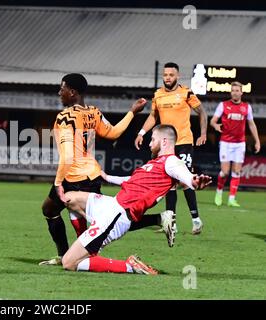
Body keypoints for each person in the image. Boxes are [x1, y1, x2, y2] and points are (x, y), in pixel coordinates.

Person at [61, 125, 212, 275]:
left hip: (117, 215)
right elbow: (132, 180)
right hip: (111, 204)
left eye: (153, 140)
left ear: (164, 142)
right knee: (69, 198)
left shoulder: (171, 162)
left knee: (68, 263)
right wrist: (107, 177)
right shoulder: (155, 163)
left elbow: (185, 175)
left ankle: (130, 266)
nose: (150, 143)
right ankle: (85, 248)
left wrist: (194, 181)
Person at [40, 73, 147, 265]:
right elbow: (113, 132)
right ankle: (67, 255)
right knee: (52, 209)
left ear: (72, 92)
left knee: (103, 221)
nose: (59, 93)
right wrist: (132, 112)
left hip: (74, 176)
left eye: (62, 89)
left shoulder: (65, 117)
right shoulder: (93, 113)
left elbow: (67, 156)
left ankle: (79, 259)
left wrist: (58, 183)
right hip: (91, 175)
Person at [134, 62, 207, 235]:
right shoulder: (158, 95)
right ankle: (171, 223)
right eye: (165, 75)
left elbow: (202, 112)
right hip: (166, 146)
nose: (168, 78)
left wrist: (203, 133)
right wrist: (141, 133)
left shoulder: (186, 92)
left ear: (178, 76)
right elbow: (153, 116)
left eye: (171, 75)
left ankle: (196, 220)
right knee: (169, 184)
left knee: (185, 180)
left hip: (183, 142)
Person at [210, 81, 261, 207]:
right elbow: (213, 121)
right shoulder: (223, 105)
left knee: (237, 171)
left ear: (241, 92)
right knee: (225, 172)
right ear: (231, 92)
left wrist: (257, 141)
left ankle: (232, 199)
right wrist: (215, 125)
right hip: (226, 143)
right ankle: (219, 192)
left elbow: (251, 124)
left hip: (239, 144)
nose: (235, 92)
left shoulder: (246, 107)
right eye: (233, 90)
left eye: (237, 90)